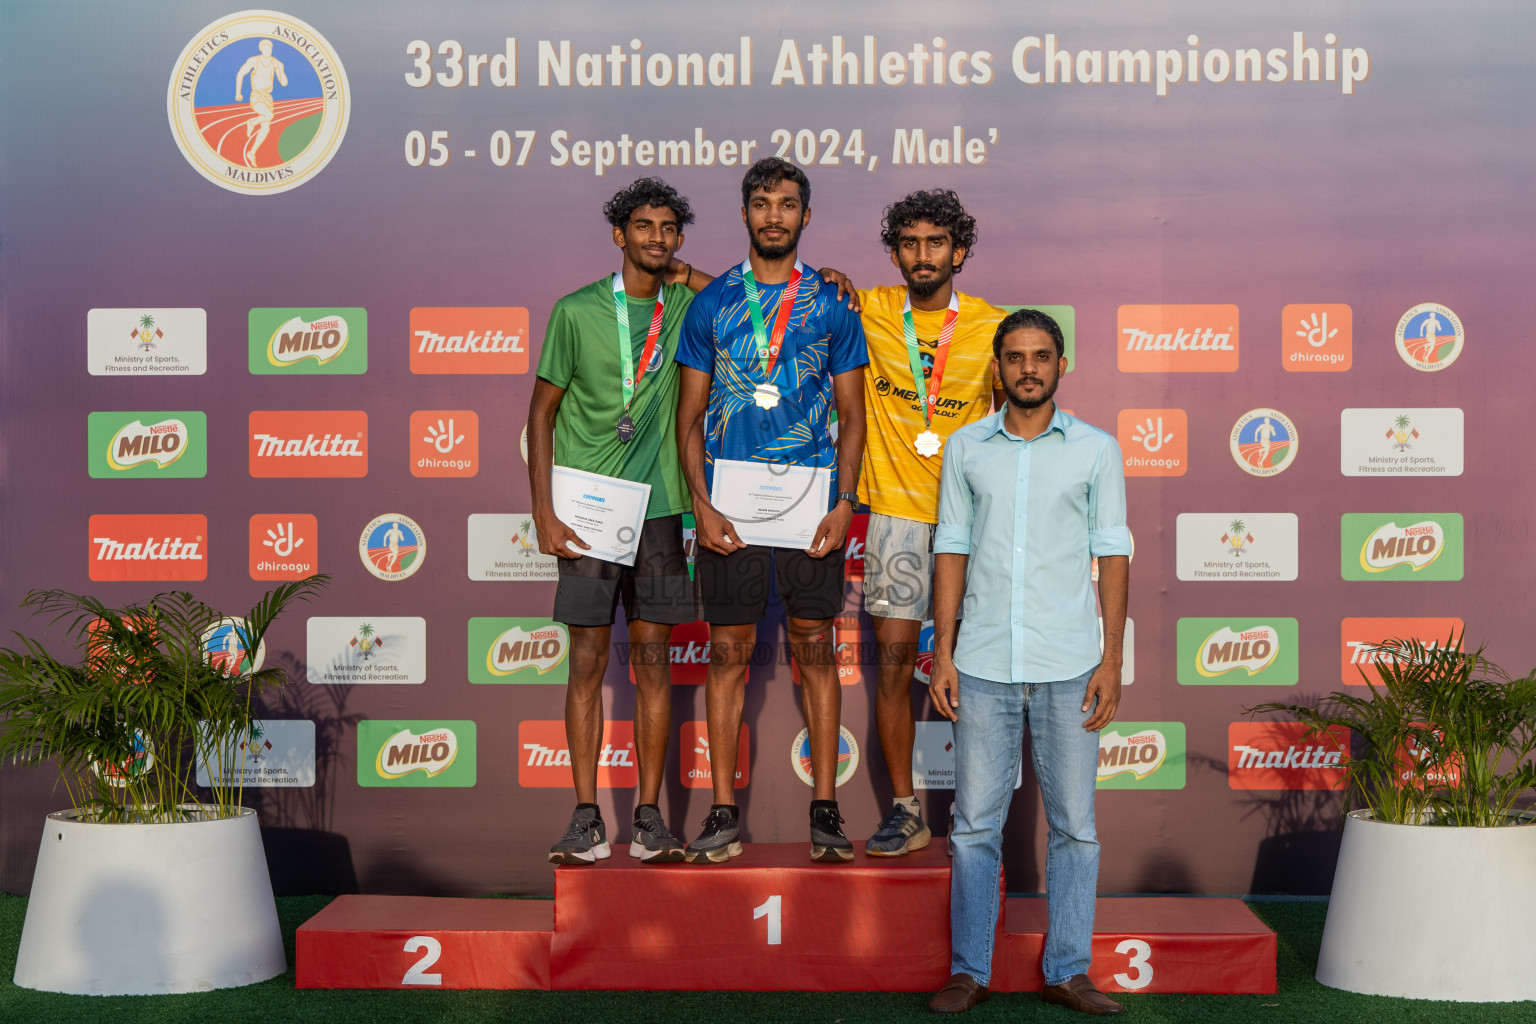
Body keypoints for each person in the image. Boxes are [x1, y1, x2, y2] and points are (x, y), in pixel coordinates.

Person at [926, 309, 1131, 1016]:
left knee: (1076, 825)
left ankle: (1069, 969)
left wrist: (1112, 659)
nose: (1029, 369)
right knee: (975, 824)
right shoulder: (965, 449)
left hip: (1070, 661)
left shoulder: (1097, 450)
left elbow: (1112, 554)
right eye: (1015, 357)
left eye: (1042, 356)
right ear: (997, 367)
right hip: (981, 660)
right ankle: (969, 969)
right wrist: (943, 650)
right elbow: (950, 548)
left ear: (1061, 364)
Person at [675, 157, 868, 863]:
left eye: (788, 204)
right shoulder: (713, 302)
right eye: (762, 203)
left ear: (805, 217)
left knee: (816, 653)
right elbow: (688, 416)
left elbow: (852, 413)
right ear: (746, 213)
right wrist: (701, 504)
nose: (775, 215)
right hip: (730, 513)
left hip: (812, 508)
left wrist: (845, 502)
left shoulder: (832, 303)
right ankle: (722, 812)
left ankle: (825, 810)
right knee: (726, 656)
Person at [527, 177, 713, 865]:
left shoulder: (688, 305)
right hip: (585, 516)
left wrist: (684, 272)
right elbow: (540, 414)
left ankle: (649, 818)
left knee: (655, 666)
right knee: (584, 661)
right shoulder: (575, 312)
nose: (656, 237)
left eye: (669, 228)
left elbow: (743, 299)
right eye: (644, 227)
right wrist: (543, 513)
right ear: (619, 234)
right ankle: (583, 817)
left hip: (662, 509)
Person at [854, 189, 1005, 857]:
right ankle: (908, 812)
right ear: (894, 254)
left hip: (972, 524)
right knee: (892, 666)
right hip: (893, 514)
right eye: (910, 243)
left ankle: (977, 817)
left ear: (960, 252)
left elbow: (1020, 423)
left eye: (936, 242)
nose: (923, 255)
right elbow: (764, 294)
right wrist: (684, 275)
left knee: (980, 674)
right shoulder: (868, 308)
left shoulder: (997, 328)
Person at [235, 39, 287, 167]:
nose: (268, 50)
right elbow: (240, 74)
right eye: (265, 47)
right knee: (269, 115)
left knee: (266, 128)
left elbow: (284, 83)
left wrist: (280, 70)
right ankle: (251, 122)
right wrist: (238, 93)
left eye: (270, 48)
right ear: (261, 48)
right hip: (256, 96)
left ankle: (252, 153)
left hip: (268, 98)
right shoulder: (254, 60)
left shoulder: (276, 63)